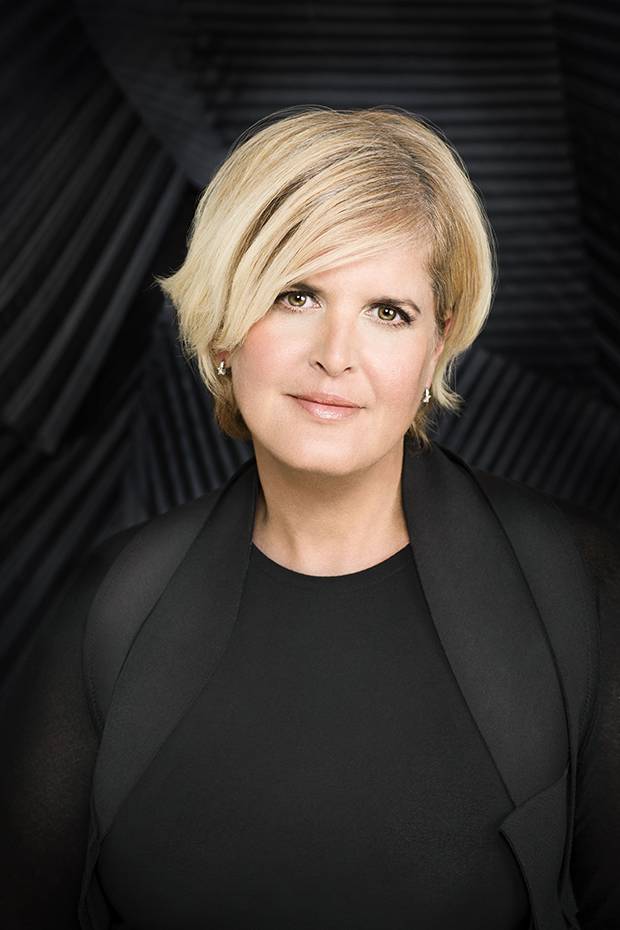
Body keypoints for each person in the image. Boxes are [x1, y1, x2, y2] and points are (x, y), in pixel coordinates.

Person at [1, 105, 619, 930]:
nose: (336, 353)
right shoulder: (109, 603)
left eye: (388, 311)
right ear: (225, 326)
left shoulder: (581, 587)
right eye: (296, 295)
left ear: (436, 348)